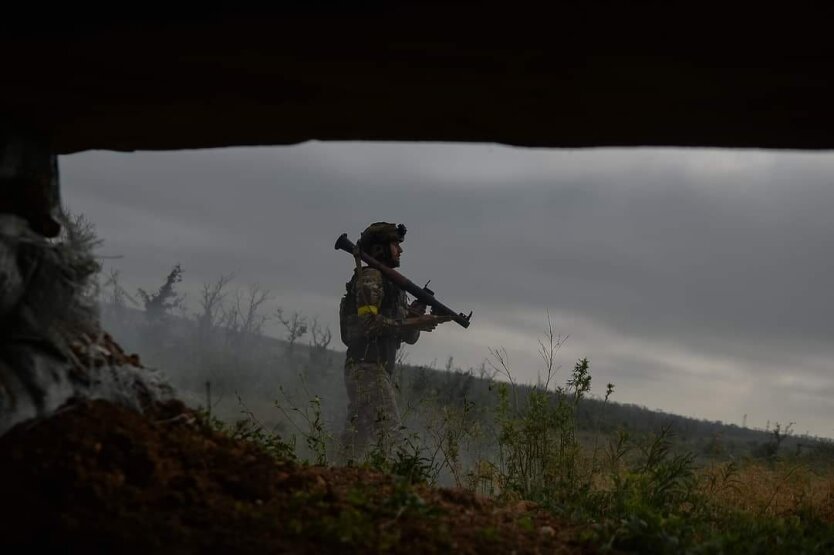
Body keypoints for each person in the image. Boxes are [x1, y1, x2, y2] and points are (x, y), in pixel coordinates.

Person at [338, 222, 451, 461]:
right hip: (366, 367)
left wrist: (416, 315)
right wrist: (413, 322)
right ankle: (405, 489)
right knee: (391, 437)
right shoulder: (371, 278)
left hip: (377, 368)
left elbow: (407, 337)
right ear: (379, 249)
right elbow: (368, 324)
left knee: (355, 443)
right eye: (395, 245)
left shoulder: (394, 286)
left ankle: (332, 481)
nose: (400, 251)